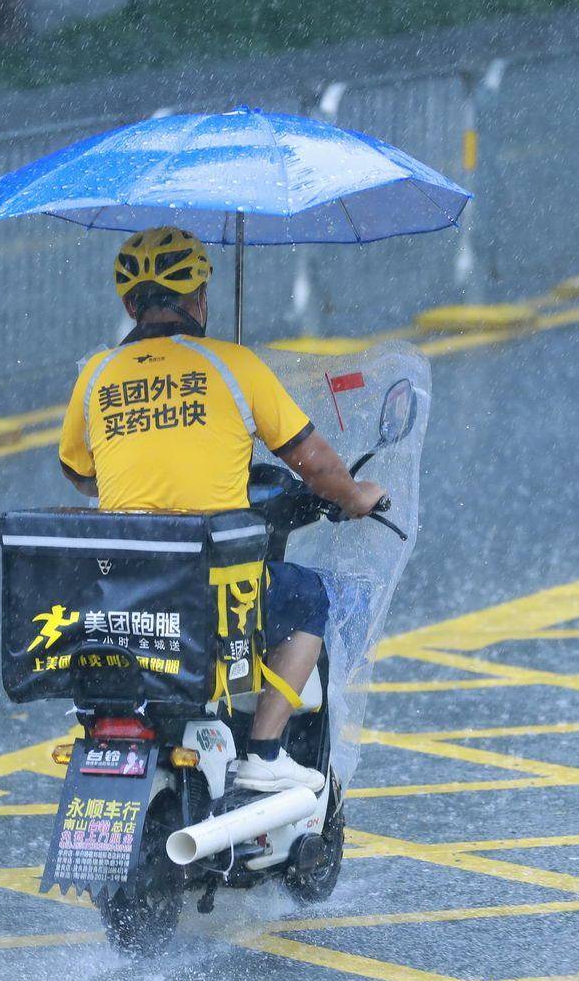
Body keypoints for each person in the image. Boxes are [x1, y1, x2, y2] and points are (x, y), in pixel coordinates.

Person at [58, 227, 385, 794]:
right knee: (308, 596)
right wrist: (357, 496)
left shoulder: (96, 376)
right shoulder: (234, 366)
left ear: (131, 305)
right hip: (214, 594)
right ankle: (262, 751)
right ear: (199, 299)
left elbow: (80, 472)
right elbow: (314, 464)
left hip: (125, 595)